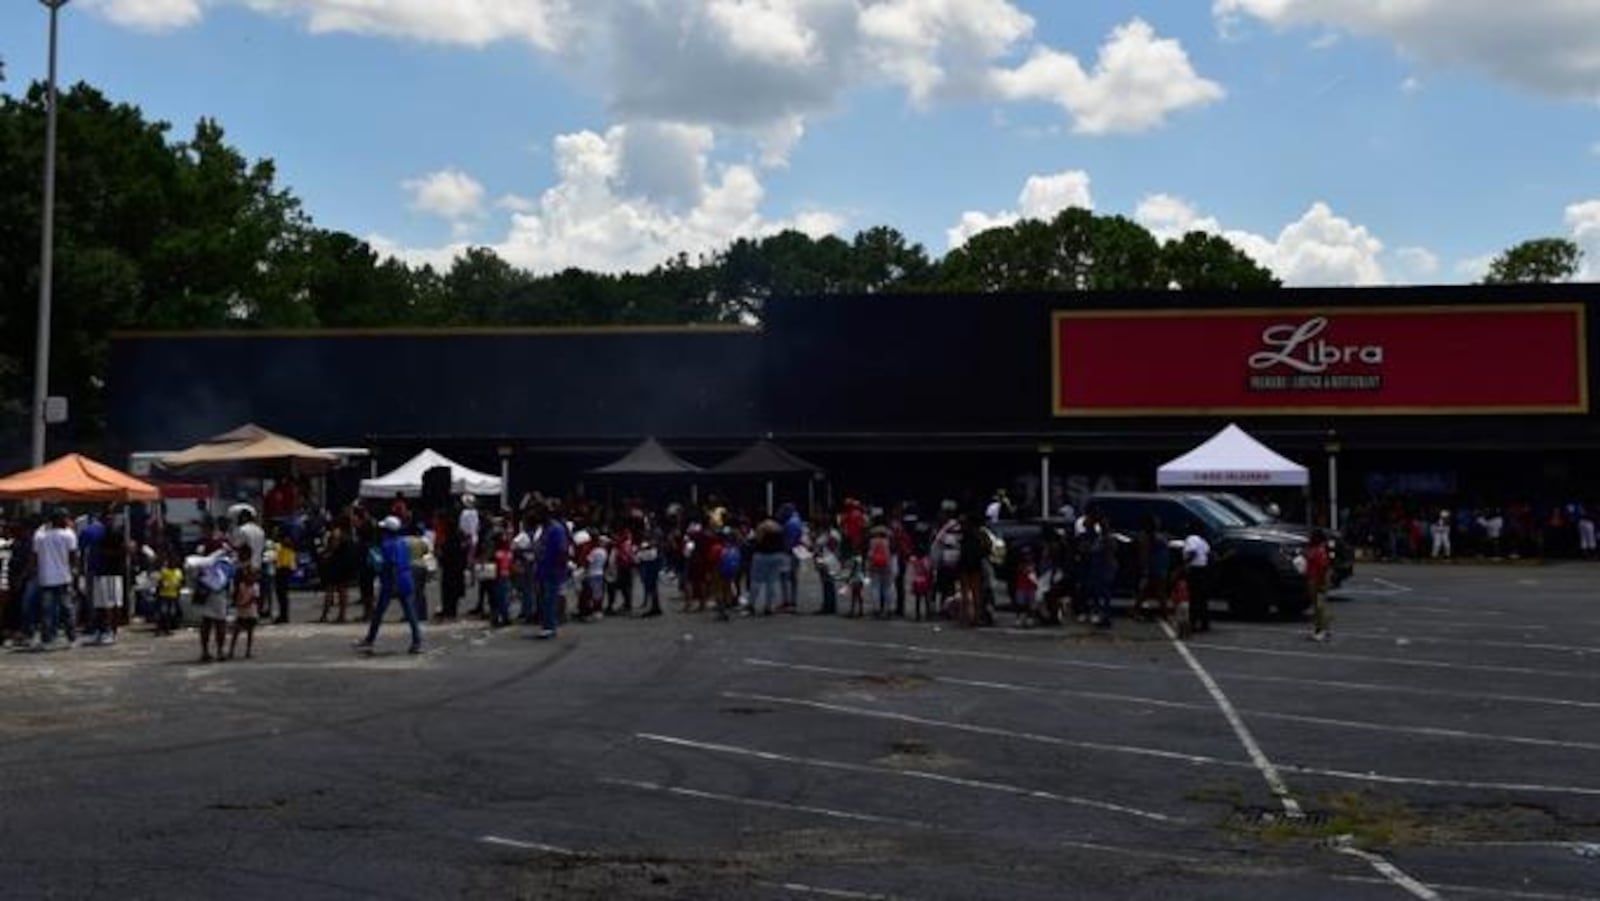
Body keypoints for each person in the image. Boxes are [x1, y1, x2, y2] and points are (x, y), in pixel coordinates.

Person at [354, 516, 423, 654]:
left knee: (379, 612)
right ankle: (417, 641)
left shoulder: (387, 544)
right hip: (406, 577)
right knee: (410, 612)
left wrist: (393, 584)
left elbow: (391, 564)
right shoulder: (403, 542)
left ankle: (370, 639)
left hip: (391, 580)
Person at [31, 509, 78, 650]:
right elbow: (73, 556)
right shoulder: (69, 535)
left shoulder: (40, 535)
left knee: (47, 611)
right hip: (64, 577)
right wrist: (74, 571)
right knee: (67, 609)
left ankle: (47, 640)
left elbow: (34, 556)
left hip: (46, 577)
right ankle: (71, 638)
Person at [534, 504, 569, 639]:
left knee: (550, 599)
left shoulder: (556, 529)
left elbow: (562, 550)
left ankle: (550, 626)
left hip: (553, 569)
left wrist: (560, 569)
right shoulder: (545, 529)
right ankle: (546, 624)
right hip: (543, 568)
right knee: (544, 599)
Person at [1182, 523, 1213, 634]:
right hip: (1203, 570)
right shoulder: (1203, 541)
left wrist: (1185, 565)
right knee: (1202, 598)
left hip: (1195, 570)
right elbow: (1208, 555)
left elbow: (1192, 552)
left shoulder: (1191, 539)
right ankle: (1204, 623)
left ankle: (1193, 623)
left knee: (1194, 598)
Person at [229, 565, 261, 659]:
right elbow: (236, 596)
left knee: (250, 633)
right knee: (236, 632)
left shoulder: (255, 587)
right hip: (241, 612)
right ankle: (231, 651)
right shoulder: (241, 586)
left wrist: (243, 604)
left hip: (250, 611)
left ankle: (248, 650)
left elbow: (254, 599)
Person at [866, 525, 894, 618]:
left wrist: (869, 564)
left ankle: (876, 609)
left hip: (875, 565)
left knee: (875, 587)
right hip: (886, 565)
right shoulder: (887, 542)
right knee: (887, 587)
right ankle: (888, 608)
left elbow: (870, 554)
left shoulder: (872, 542)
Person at [156, 554, 184, 636]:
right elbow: (159, 583)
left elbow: (180, 583)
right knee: (163, 612)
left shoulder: (178, 572)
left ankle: (167, 629)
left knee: (171, 613)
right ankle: (160, 629)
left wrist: (178, 590)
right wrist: (162, 585)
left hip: (173, 595)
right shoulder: (164, 571)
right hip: (164, 595)